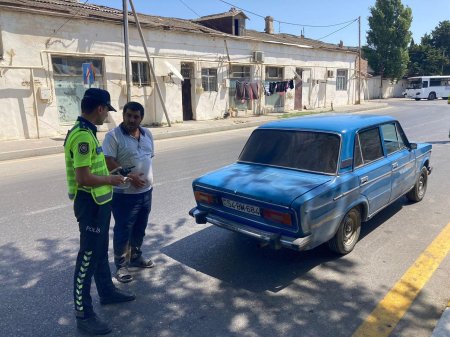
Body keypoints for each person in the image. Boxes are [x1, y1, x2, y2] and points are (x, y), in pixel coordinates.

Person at [64, 88, 136, 335]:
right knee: (87, 258)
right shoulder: (83, 136)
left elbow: (93, 168)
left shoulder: (86, 132)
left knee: (98, 253)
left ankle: (106, 292)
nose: (108, 116)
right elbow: (83, 178)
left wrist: (116, 176)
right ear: (100, 108)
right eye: (107, 110)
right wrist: (111, 180)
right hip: (91, 205)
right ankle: (83, 315)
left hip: (99, 204)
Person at [102, 101, 155, 283]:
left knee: (140, 227)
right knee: (123, 229)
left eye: (136, 116)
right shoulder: (113, 136)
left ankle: (136, 256)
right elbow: (108, 161)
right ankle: (121, 266)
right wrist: (130, 175)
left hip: (146, 192)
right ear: (123, 115)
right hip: (124, 195)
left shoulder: (147, 134)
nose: (132, 120)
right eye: (128, 115)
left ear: (141, 118)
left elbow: (148, 158)